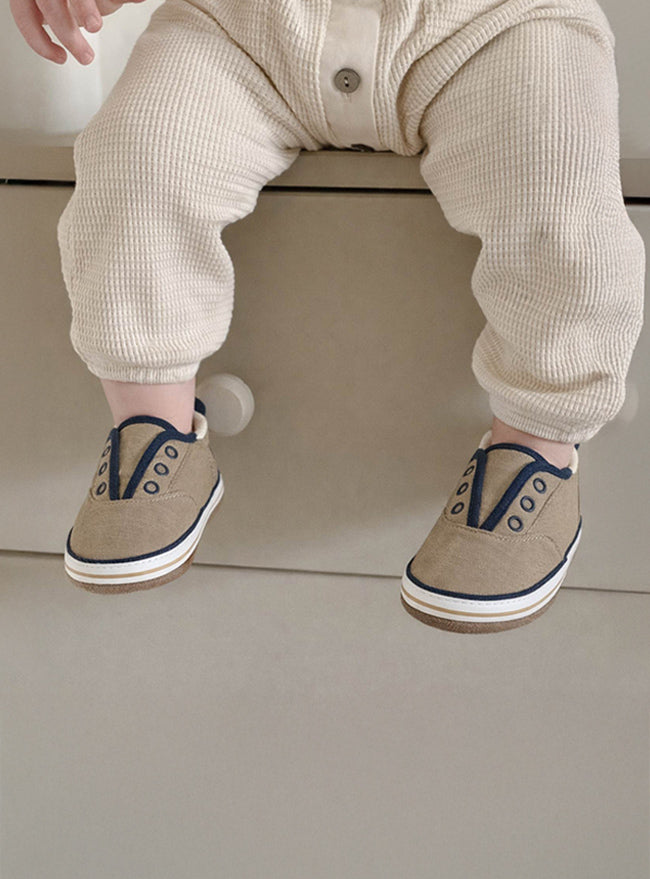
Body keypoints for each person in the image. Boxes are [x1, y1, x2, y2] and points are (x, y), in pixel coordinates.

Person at [10, 0, 645, 631]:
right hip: (248, 29)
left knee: (555, 195)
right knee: (136, 160)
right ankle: (152, 424)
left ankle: (536, 448)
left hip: (487, 26)